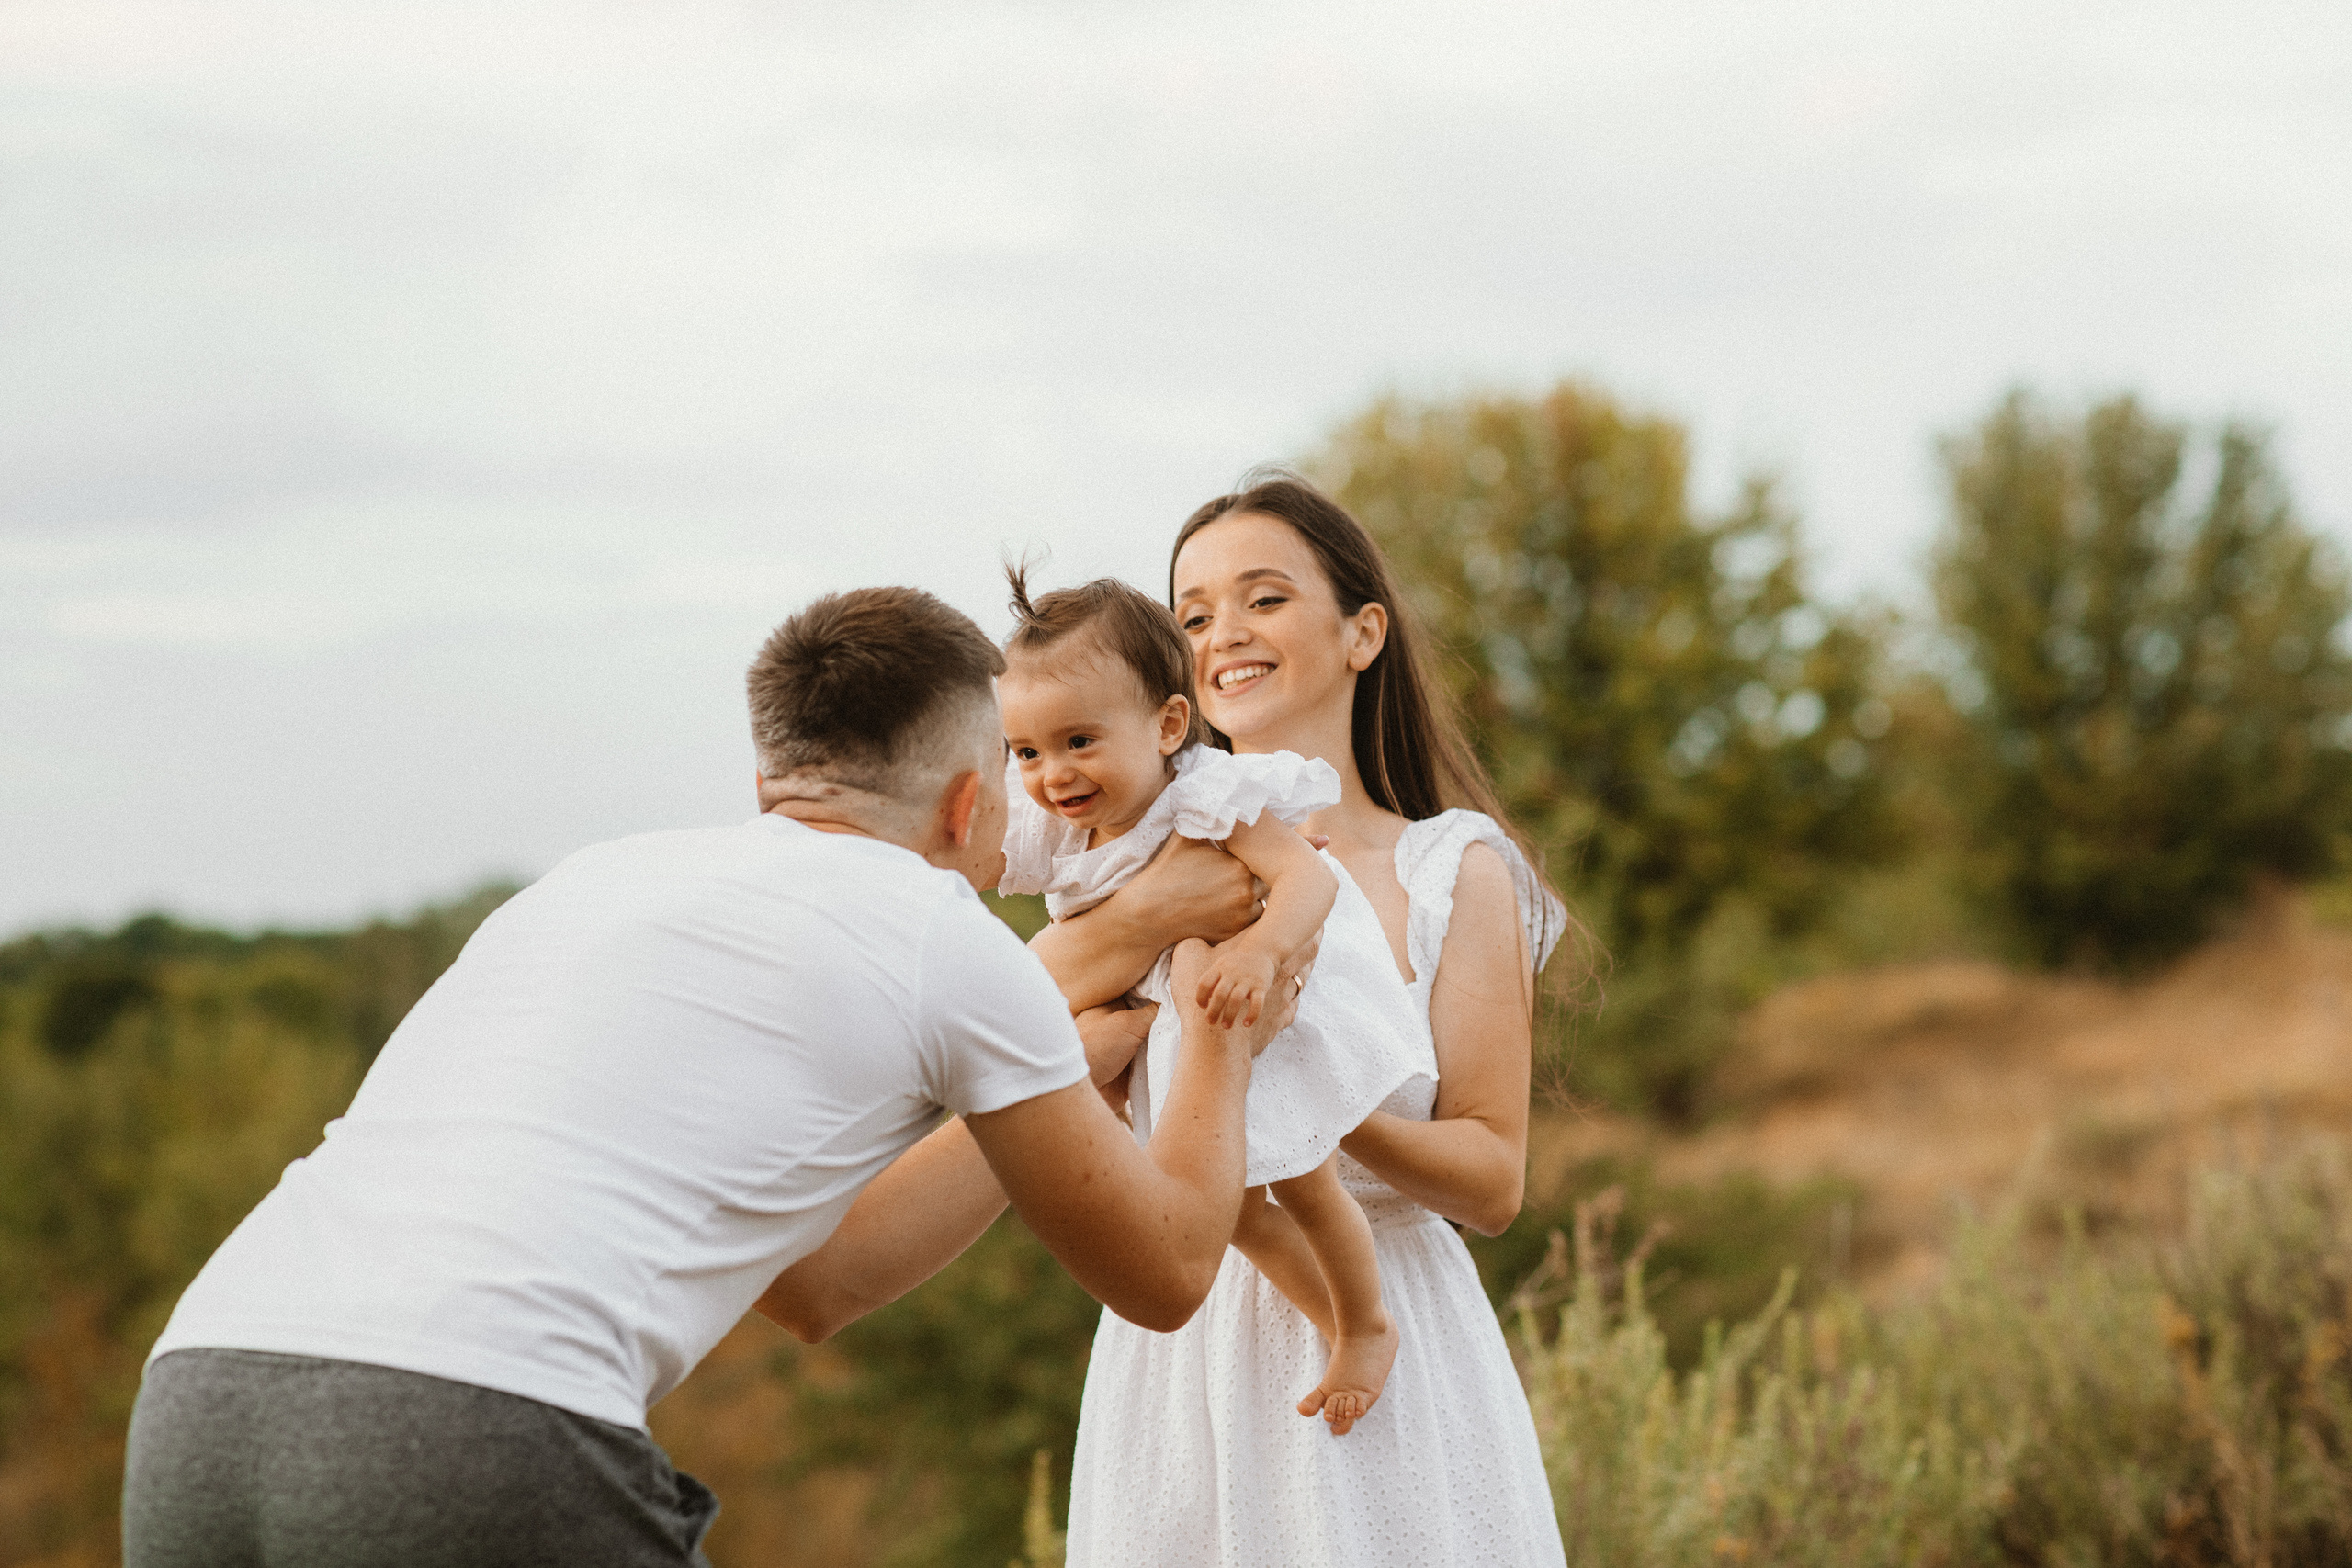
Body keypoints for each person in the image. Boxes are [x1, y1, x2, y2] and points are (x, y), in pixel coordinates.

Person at [120, 586, 1296, 1568]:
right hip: (477, 1426)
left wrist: (1060, 1073)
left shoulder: (586, 881)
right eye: (1009, 764)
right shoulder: (946, 935)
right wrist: (1218, 1033)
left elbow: (817, 1281)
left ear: (774, 782)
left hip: (202, 1403)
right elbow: (1169, 1268)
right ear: (961, 798)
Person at [1056, 476, 1574, 1566]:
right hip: (1185, 1332)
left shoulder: (1452, 869)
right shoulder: (1142, 868)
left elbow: (1492, 1180)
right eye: (1190, 617)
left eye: (1261, 600)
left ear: (1361, 632)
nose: (1221, 636)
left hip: (1386, 1319)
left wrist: (1312, 1105)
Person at [995, 567, 1432, 1432]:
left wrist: (1265, 949)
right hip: (1177, 1042)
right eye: (1028, 751)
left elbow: (1307, 880)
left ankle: (1367, 1317)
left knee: (1302, 1174)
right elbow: (964, 861)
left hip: (1248, 1010)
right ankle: (1337, 1320)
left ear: (1165, 724)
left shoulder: (1203, 796)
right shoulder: (1055, 824)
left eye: (1080, 740)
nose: (1054, 774)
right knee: (1228, 1210)